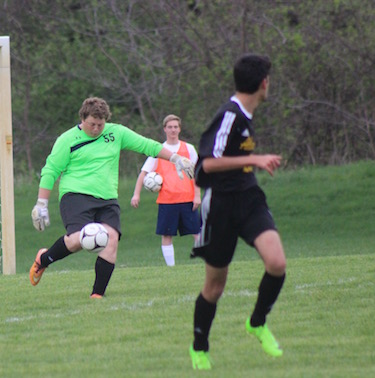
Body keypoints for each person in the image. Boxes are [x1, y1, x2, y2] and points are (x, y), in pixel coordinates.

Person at [29, 97, 194, 298]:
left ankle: (97, 295)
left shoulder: (116, 132)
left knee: (111, 239)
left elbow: (147, 145)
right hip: (75, 195)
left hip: (107, 198)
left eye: (100, 124)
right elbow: (51, 171)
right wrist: (41, 203)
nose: (97, 128)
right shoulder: (67, 139)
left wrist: (176, 158)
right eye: (92, 124)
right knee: (76, 240)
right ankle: (43, 260)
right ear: (83, 118)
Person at [188, 54, 286, 370]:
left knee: (276, 263)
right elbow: (206, 164)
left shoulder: (245, 115)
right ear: (263, 84)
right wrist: (254, 160)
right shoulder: (230, 115)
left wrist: (251, 164)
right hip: (220, 206)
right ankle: (199, 347)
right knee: (215, 287)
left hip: (248, 198)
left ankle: (257, 322)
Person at [131, 114, 201, 266]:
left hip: (188, 199)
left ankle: (203, 263)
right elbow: (143, 173)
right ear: (164, 129)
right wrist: (136, 194)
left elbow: (197, 173)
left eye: (176, 127)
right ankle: (171, 267)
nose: (173, 130)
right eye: (170, 127)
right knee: (167, 235)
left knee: (197, 232)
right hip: (167, 200)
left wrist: (197, 196)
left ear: (180, 129)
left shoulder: (189, 148)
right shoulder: (159, 150)